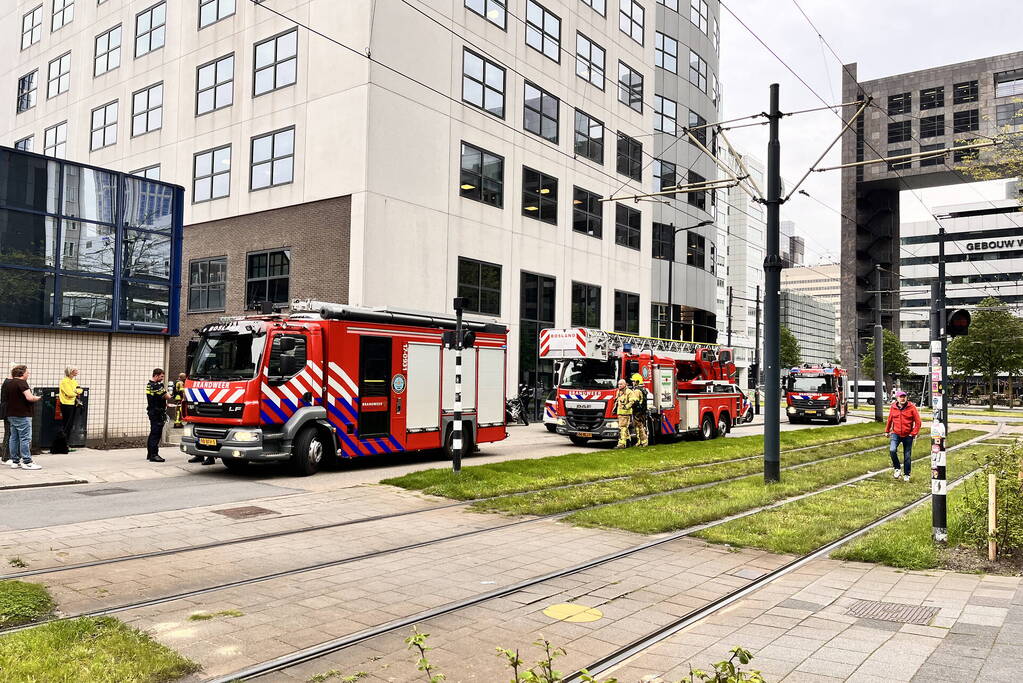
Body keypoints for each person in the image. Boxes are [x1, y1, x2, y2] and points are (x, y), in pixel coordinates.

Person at [4, 365, 42, 470]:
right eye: (27, 372)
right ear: (22, 373)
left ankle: (15, 461)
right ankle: (27, 462)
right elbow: (29, 397)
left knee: (14, 438)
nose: (28, 374)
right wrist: (37, 398)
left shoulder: (9, 383)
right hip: (23, 414)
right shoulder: (22, 383)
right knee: (25, 438)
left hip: (11, 414)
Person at [886, 390, 921, 482]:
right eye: (901, 397)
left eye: (904, 397)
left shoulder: (912, 407)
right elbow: (890, 419)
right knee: (892, 450)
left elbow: (918, 422)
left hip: (908, 434)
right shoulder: (893, 407)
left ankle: (907, 474)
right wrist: (887, 431)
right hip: (896, 433)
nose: (903, 398)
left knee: (907, 455)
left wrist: (913, 433)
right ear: (897, 398)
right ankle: (897, 468)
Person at [145, 368, 174, 463]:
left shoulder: (149, 385)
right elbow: (168, 396)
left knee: (153, 433)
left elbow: (155, 398)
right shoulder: (157, 386)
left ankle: (150, 454)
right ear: (156, 375)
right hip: (157, 413)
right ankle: (154, 455)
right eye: (161, 376)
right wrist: (172, 392)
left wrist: (164, 404)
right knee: (156, 434)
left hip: (152, 411)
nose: (162, 378)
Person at [56, 366, 83, 452]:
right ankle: (63, 445)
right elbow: (69, 393)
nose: (77, 371)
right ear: (70, 372)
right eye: (75, 370)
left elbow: (80, 390)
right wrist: (76, 392)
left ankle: (65, 444)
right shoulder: (64, 381)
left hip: (73, 404)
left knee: (70, 425)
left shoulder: (74, 381)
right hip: (66, 404)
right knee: (66, 425)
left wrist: (76, 391)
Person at [614, 378, 636, 449]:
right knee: (625, 428)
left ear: (625, 384)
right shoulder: (618, 392)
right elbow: (617, 401)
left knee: (622, 428)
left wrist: (626, 407)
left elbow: (632, 401)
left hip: (626, 413)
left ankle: (621, 444)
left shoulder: (629, 392)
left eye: (621, 384)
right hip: (620, 413)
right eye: (618, 384)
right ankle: (628, 442)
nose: (619, 385)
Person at [629, 373, 649, 447]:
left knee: (639, 427)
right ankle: (640, 441)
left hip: (638, 411)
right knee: (639, 426)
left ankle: (644, 441)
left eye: (633, 381)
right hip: (642, 411)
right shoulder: (643, 389)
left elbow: (635, 401)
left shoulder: (637, 391)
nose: (632, 383)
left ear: (637, 381)